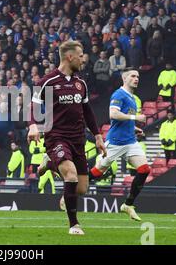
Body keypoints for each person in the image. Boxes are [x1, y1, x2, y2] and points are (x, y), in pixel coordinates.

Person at [28, 41, 106, 235]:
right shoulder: (47, 81)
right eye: (80, 56)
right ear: (69, 57)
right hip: (57, 137)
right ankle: (74, 225)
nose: (83, 59)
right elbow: (34, 105)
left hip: (78, 138)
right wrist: (33, 126)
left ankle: (50, 164)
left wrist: (97, 136)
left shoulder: (81, 83)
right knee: (70, 175)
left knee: (81, 189)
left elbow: (87, 111)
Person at [89, 69, 150, 221]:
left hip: (130, 141)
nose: (136, 78)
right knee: (97, 172)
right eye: (133, 76)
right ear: (124, 78)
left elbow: (123, 120)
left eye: (138, 76)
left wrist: (135, 128)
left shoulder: (133, 98)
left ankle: (128, 205)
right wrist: (135, 117)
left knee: (144, 169)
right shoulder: (119, 94)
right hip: (115, 142)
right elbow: (113, 115)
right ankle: (71, 190)